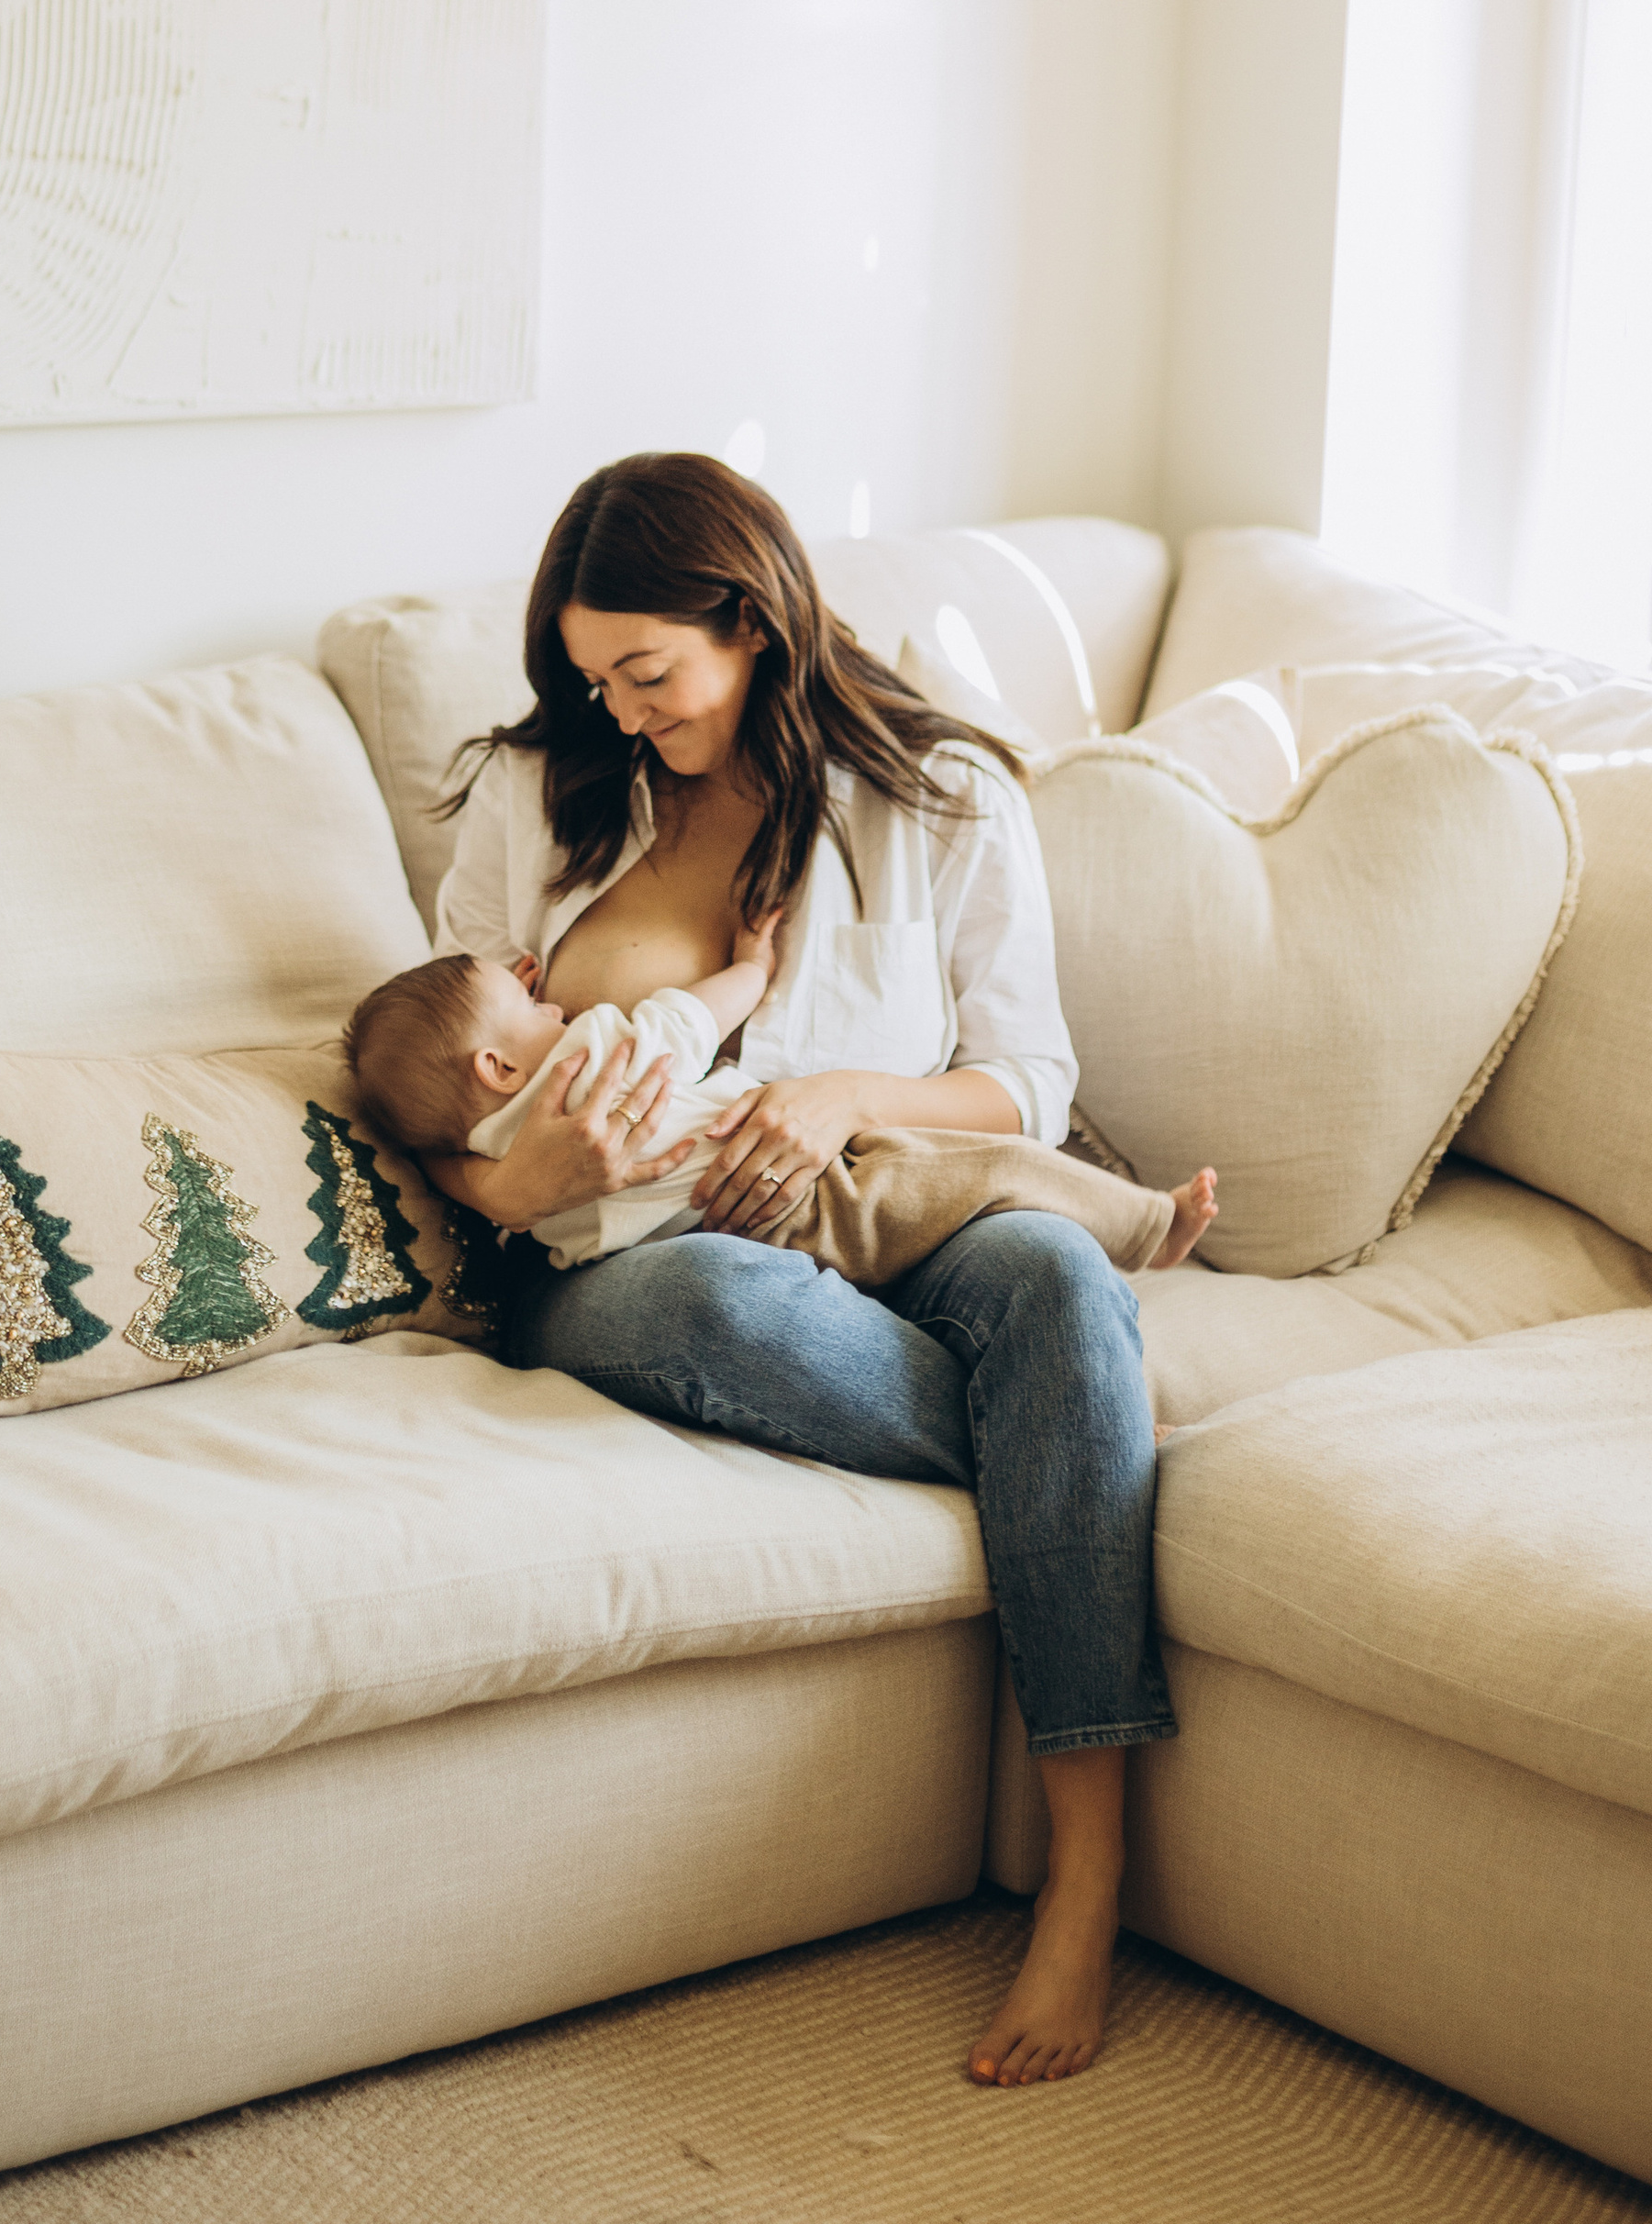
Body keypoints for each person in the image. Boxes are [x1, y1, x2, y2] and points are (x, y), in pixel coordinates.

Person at [427, 450, 1179, 2091]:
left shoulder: (946, 795)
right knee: (721, 1305)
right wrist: (517, 1171)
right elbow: (438, 1076)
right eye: (588, 676)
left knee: (1053, 1284)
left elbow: (1024, 1087)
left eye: (649, 673)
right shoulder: (535, 792)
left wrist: (843, 1092)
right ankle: (1077, 1459)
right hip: (645, 1250)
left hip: (900, 1203)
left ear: (753, 628)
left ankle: (1089, 1872)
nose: (619, 711)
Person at [350, 939, 1220, 1284]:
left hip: (701, 1244)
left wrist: (501, 1189)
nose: (551, 1002)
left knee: (1027, 1264)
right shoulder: (600, 1052)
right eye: (526, 1000)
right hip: (802, 1202)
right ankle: (1150, 1224)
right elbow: (691, 1014)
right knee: (993, 1174)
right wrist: (758, 966)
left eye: (647, 676)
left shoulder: (486, 1126)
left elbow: (422, 1110)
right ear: (499, 1063)